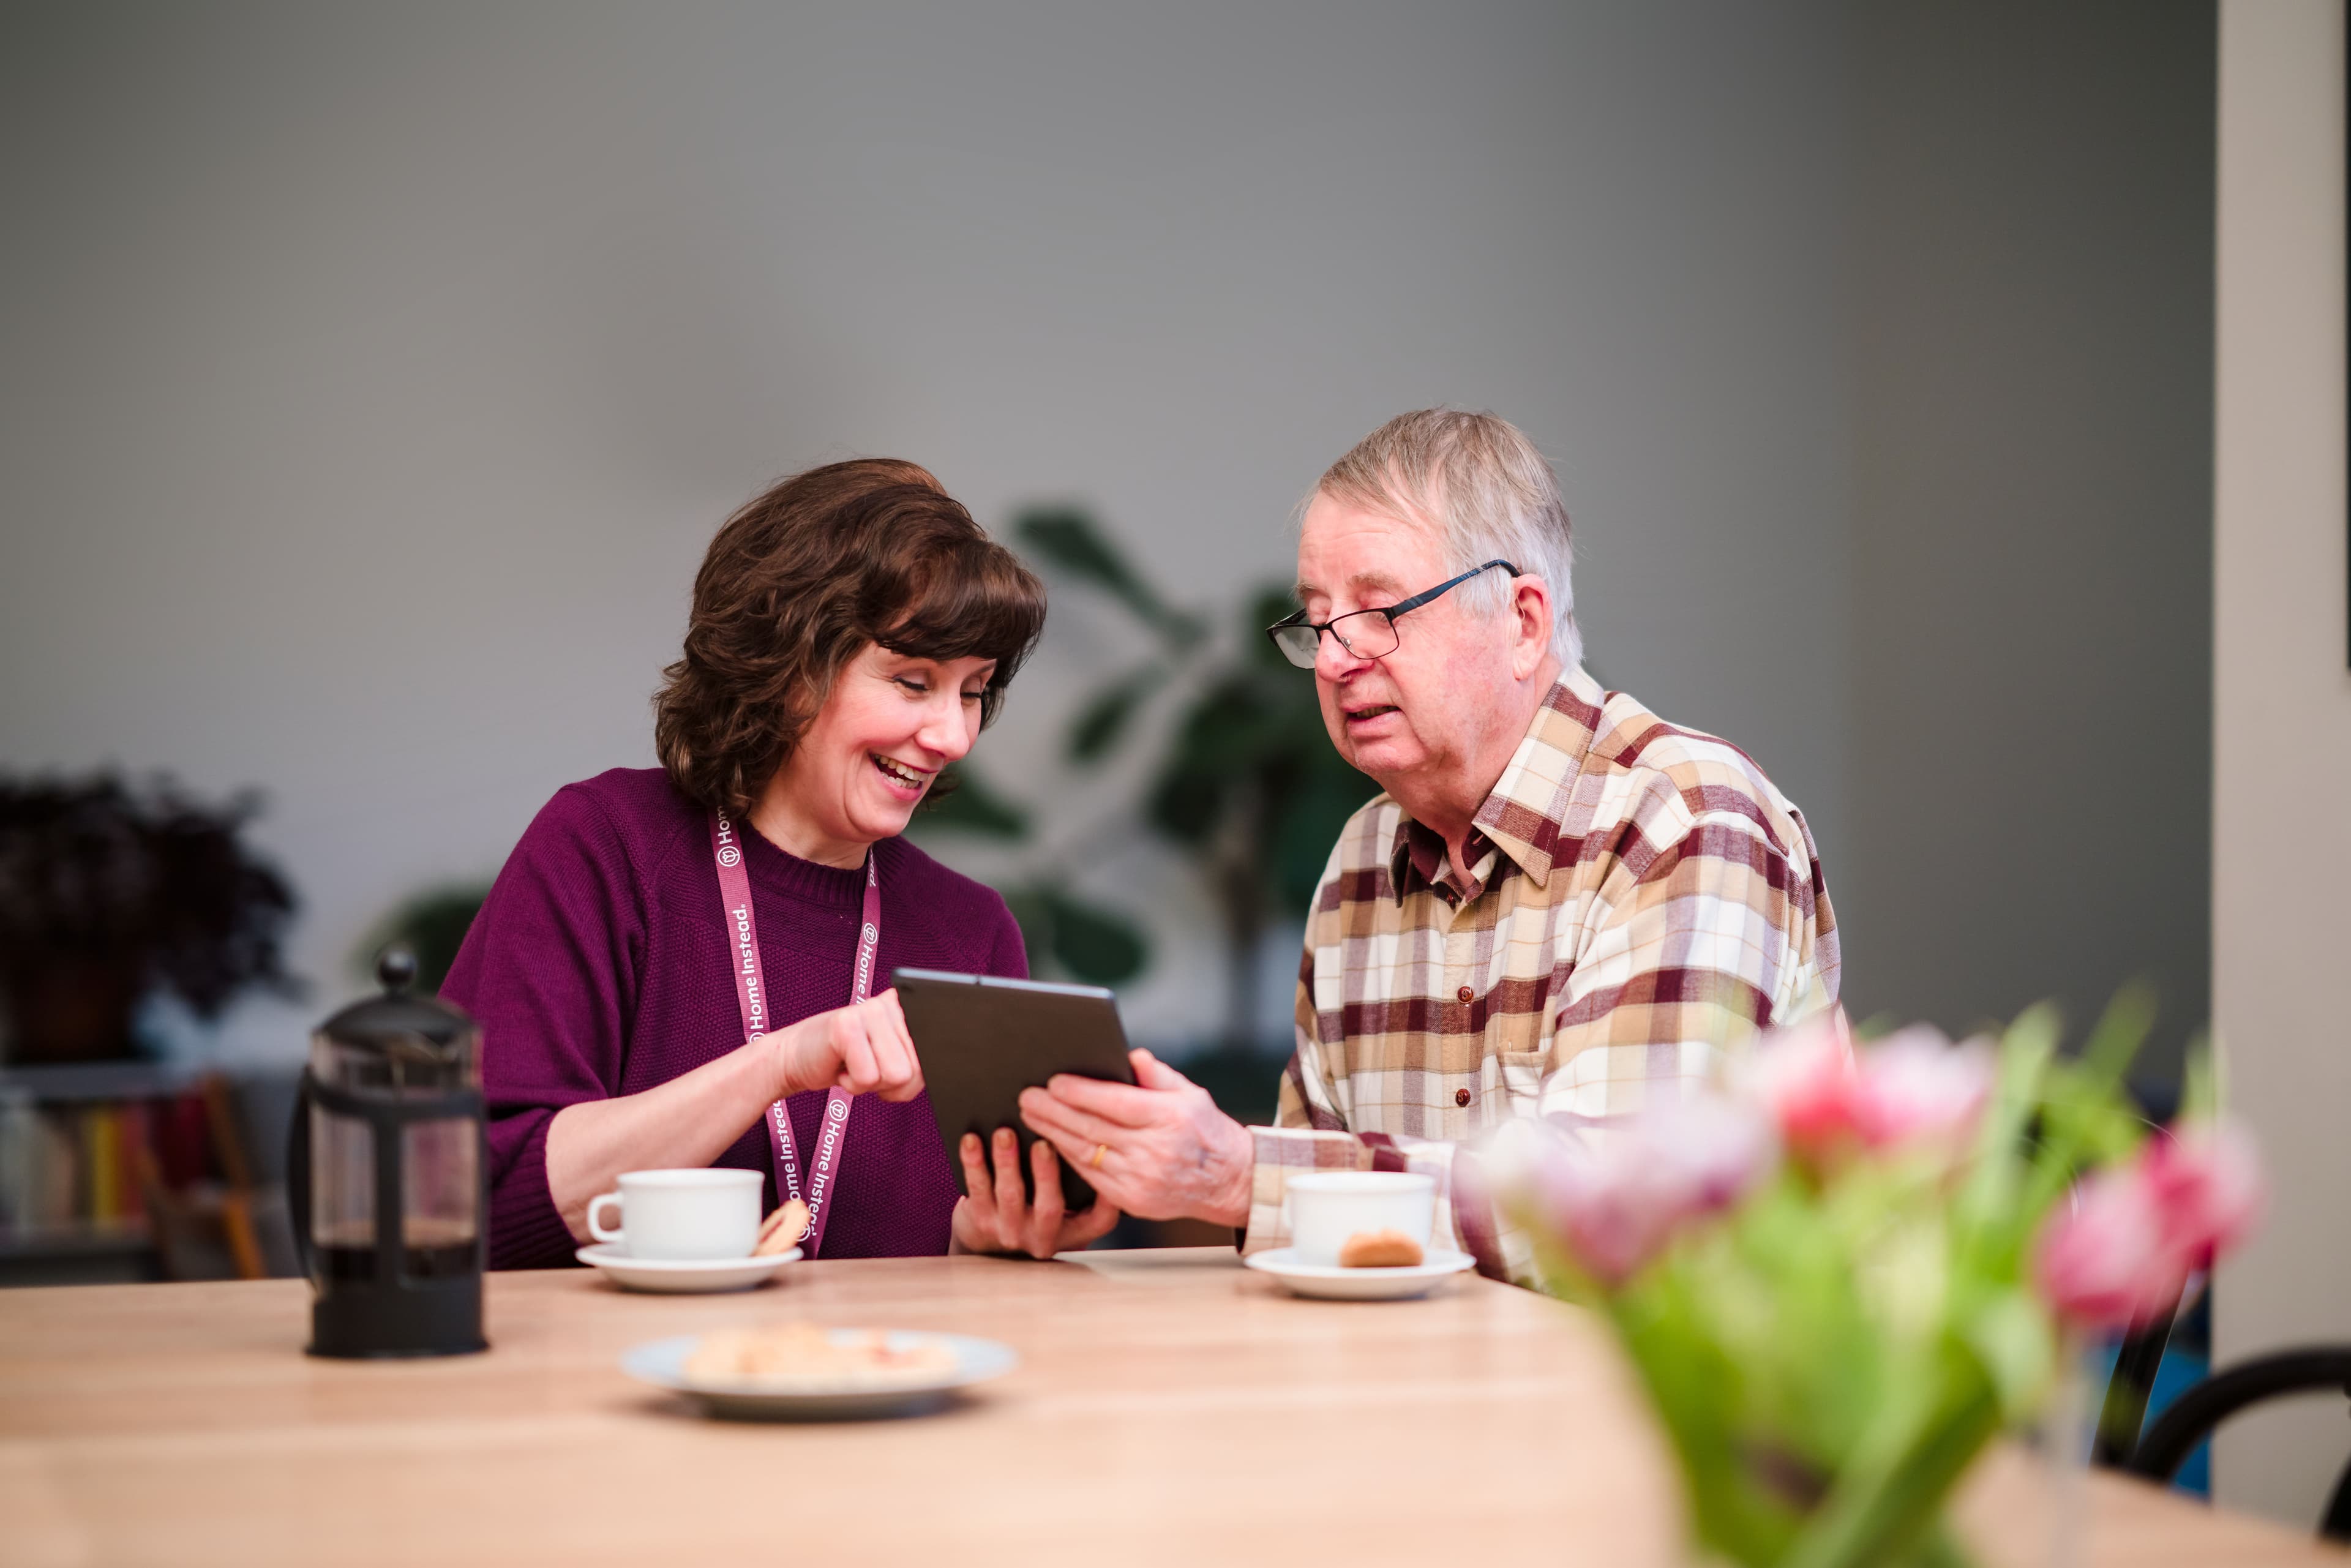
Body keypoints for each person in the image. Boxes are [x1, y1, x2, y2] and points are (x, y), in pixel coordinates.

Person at [1018, 410, 1839, 1285]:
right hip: (1427, 1396)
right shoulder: (1359, 860)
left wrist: (1242, 1176)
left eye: (1379, 612)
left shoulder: (1684, 820)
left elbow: (1613, 1219)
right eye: (1318, 620)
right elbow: (1313, 1244)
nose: (1335, 659)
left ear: (1524, 622)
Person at [442, 459, 1120, 1267]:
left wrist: (976, 1241)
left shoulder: (970, 930)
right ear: (793, 668)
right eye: (913, 681)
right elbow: (476, 1201)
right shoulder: (603, 848)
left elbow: (946, 1269)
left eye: (972, 691)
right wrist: (780, 1064)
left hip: (878, 1383)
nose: (953, 736)